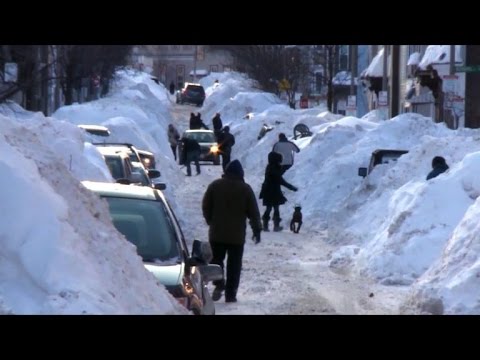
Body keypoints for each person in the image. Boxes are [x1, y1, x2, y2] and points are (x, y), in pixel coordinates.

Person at [202, 159, 262, 303]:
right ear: (241, 173)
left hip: (217, 233)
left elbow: (206, 206)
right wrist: (257, 230)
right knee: (234, 266)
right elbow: (253, 212)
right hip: (237, 236)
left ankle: (219, 282)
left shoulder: (215, 186)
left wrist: (211, 221)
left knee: (216, 262)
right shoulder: (245, 189)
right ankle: (231, 295)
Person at [259, 151, 298, 232]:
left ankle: (266, 225)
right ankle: (275, 226)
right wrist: (292, 187)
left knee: (269, 208)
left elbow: (279, 175)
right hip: (273, 191)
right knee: (275, 208)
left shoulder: (270, 167)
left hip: (268, 191)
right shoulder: (274, 169)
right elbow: (281, 180)